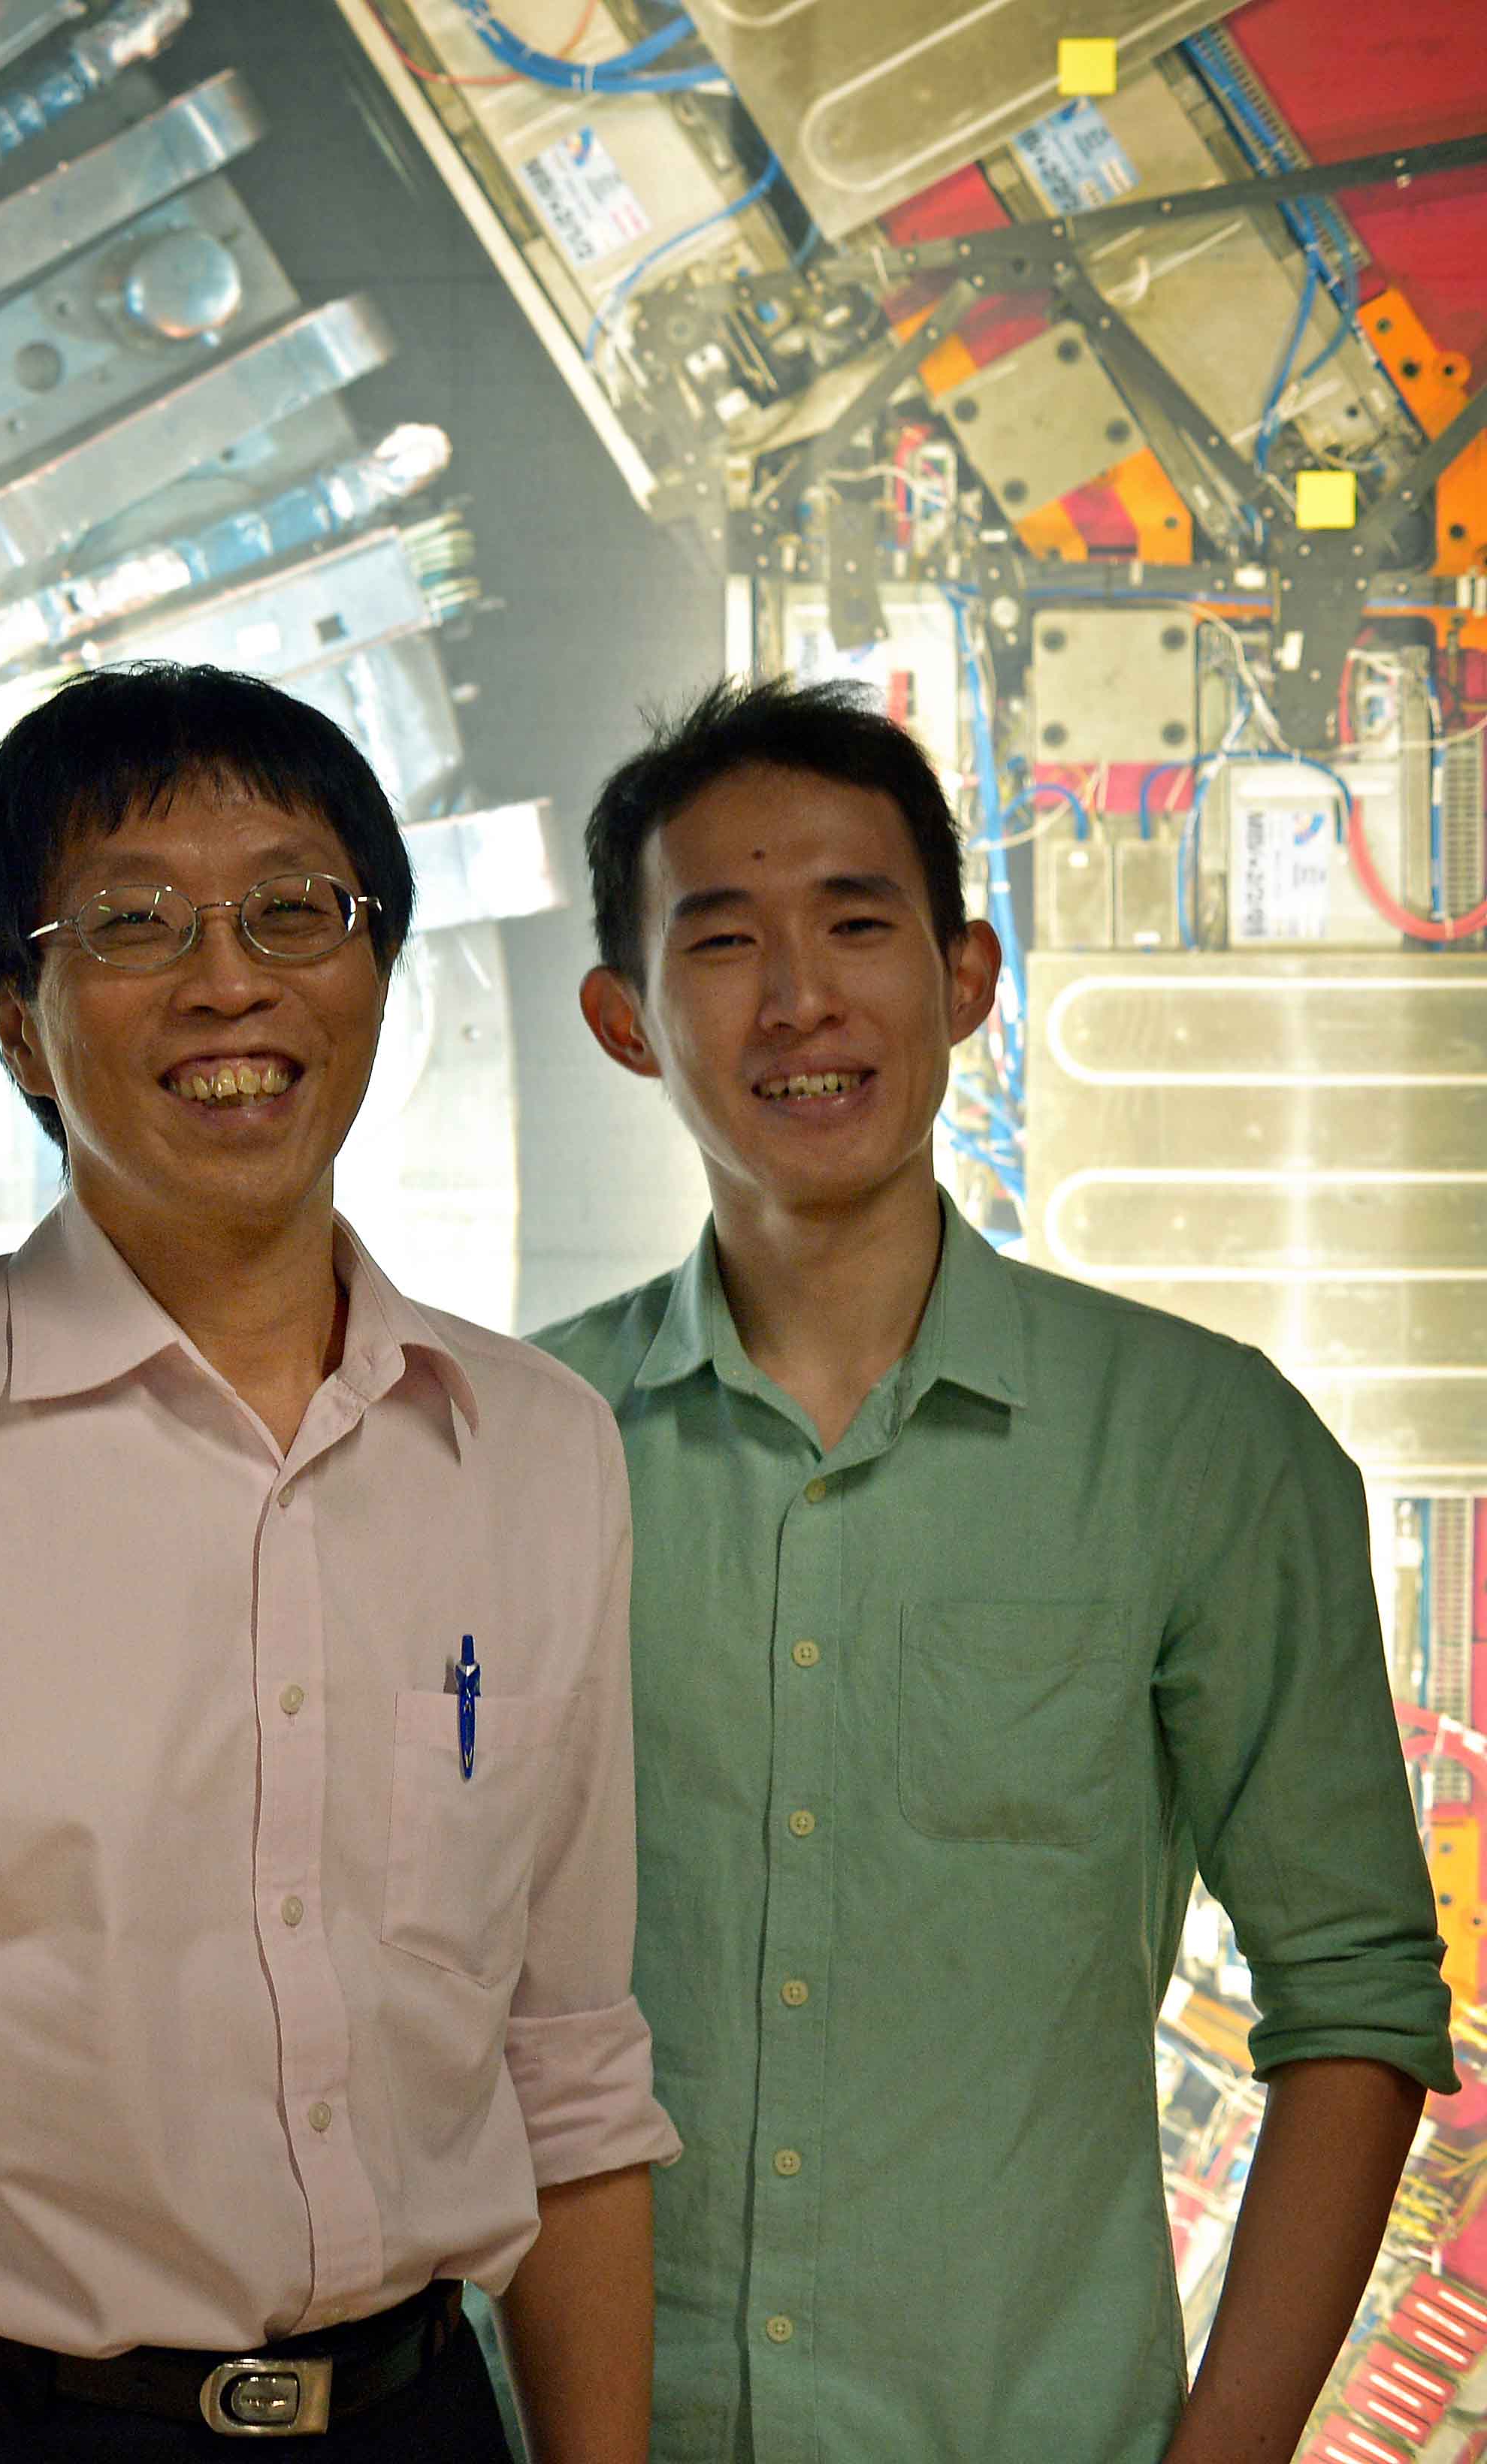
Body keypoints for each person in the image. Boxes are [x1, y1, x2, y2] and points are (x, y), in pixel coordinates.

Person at [0, 664, 679, 2464]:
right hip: (5, 2424)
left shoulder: (535, 1448)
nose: (229, 979)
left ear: (374, 971)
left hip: (420, 2418)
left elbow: (571, 2071)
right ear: (14, 1021)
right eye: (134, 922)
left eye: (294, 909)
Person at [534, 675, 1454, 2464]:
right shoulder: (510, 1446)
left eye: (856, 924)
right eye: (720, 940)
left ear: (963, 977)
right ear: (624, 1019)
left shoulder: (1201, 1443)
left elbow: (1351, 1995)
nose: (799, 998)